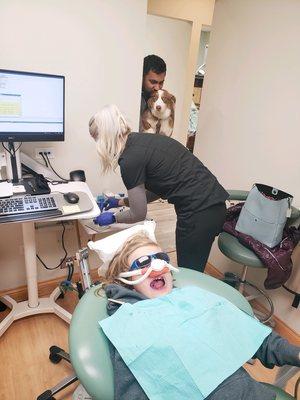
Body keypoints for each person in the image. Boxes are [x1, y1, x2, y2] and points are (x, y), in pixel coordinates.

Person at [99, 232, 300, 400]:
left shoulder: (194, 299)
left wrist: (295, 353)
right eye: (143, 263)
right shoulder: (128, 323)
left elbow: (256, 338)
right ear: (126, 280)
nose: (156, 267)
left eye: (161, 258)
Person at [89, 104, 228, 272]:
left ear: (105, 138)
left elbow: (138, 214)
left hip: (199, 213)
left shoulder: (130, 160)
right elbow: (160, 188)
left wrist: (113, 219)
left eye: (97, 139)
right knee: (192, 269)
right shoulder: (143, 141)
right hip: (214, 207)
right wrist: (119, 202)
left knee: (189, 274)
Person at [140, 54, 167, 127]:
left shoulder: (163, 101)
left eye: (161, 83)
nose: (157, 88)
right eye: (153, 82)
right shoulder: (136, 100)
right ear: (142, 77)